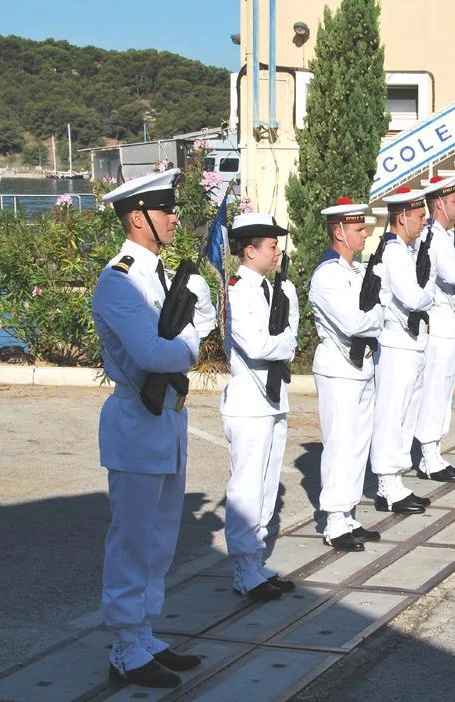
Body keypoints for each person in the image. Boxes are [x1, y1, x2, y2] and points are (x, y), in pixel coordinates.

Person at [92, 169, 216, 688]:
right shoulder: (118, 279)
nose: (174, 217)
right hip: (136, 418)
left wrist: (189, 332)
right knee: (133, 537)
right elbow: (150, 353)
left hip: (168, 414)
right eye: (165, 210)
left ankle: (143, 632)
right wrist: (189, 343)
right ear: (137, 217)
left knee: (161, 536)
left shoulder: (163, 274)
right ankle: (124, 647)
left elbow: (201, 324)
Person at [221, 213, 299, 601]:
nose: (277, 250)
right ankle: (242, 568)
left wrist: (285, 340)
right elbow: (258, 345)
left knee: (267, 485)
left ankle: (255, 562)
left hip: (271, 399)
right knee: (247, 488)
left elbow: (290, 333)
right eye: (271, 245)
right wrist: (286, 343)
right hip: (248, 403)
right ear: (250, 251)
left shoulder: (273, 290)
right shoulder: (239, 292)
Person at [310, 197, 386, 551]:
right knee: (340, 444)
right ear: (339, 232)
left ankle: (349, 512)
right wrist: (376, 319)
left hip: (361, 365)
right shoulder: (328, 275)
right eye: (358, 229)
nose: (365, 233)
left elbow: (374, 314)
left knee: (358, 444)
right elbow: (356, 321)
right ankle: (334, 520)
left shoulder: (356, 271)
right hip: (339, 369)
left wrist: (375, 318)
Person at [369, 186, 436, 514]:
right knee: (392, 415)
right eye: (419, 216)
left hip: (412, 343)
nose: (424, 221)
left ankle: (396, 481)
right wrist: (431, 291)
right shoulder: (394, 253)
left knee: (406, 414)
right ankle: (385, 483)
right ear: (402, 217)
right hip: (396, 345)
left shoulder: (408, 251)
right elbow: (413, 297)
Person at [414, 175, 455, 481]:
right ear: (439, 205)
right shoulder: (434, 238)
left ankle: (435, 452)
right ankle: (428, 456)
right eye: (453, 201)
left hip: (452, 325)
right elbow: (453, 273)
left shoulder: (448, 236)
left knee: (445, 390)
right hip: (439, 326)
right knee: (435, 391)